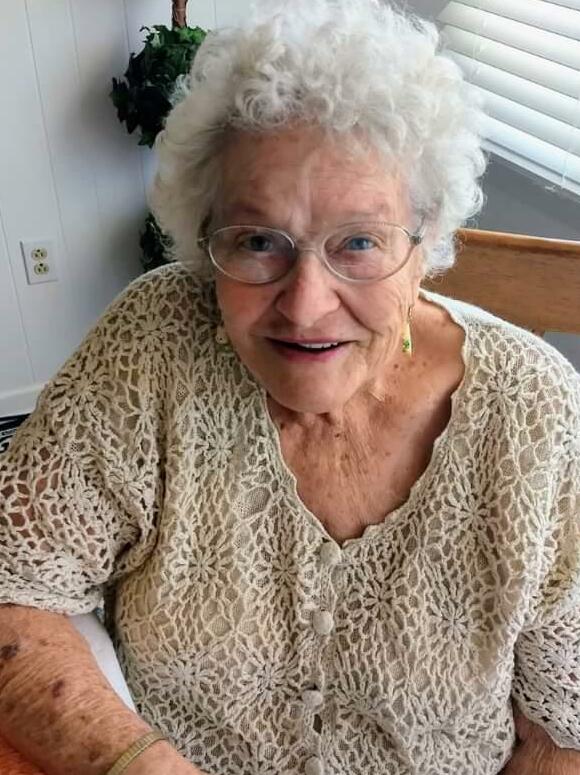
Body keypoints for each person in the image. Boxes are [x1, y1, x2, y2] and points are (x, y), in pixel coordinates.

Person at [0, 1, 579, 774]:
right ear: (205, 235)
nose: (306, 306)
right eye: (258, 241)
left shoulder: (536, 409)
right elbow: (14, 583)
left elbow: (562, 728)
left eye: (359, 242)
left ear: (427, 241)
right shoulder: (152, 348)